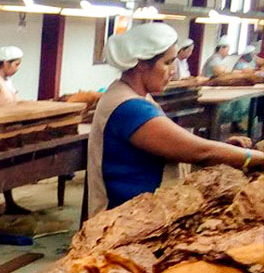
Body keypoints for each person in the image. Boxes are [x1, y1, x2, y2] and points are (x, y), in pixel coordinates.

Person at [87, 23, 263, 215]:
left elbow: (178, 148)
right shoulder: (130, 108)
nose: (173, 71)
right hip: (124, 221)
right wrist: (251, 158)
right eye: (168, 63)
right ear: (141, 64)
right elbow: (201, 152)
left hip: (144, 211)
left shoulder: (134, 95)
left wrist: (225, 147)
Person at [0, 45, 30, 214]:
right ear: (6, 64)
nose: (17, 68)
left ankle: (10, 202)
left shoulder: (7, 81)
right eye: (16, 64)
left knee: (8, 168)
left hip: (8, 130)